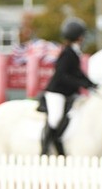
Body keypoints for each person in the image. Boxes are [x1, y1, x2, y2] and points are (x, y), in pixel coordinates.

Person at [40, 19, 96, 155]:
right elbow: (62, 75)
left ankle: (63, 141)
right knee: (55, 118)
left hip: (69, 94)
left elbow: (77, 73)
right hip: (57, 92)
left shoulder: (74, 52)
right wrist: (81, 83)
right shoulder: (67, 53)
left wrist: (90, 83)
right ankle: (45, 148)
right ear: (78, 37)